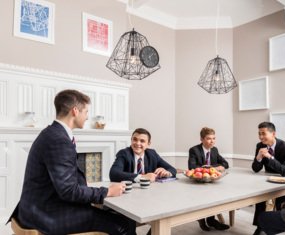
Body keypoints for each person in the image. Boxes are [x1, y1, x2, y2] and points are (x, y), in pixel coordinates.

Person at [7, 89, 136, 235]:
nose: (87, 117)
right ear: (75, 111)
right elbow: (68, 191)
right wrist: (107, 191)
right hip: (46, 215)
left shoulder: (51, 133)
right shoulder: (59, 140)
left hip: (37, 208)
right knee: (125, 223)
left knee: (110, 214)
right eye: (86, 112)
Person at [251, 122, 285, 235]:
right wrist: (259, 157)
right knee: (260, 198)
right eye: (259, 134)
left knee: (281, 202)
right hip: (269, 179)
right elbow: (256, 169)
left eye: (263, 133)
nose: (261, 137)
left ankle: (278, 228)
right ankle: (260, 227)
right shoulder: (260, 146)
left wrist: (269, 157)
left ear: (273, 134)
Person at [188, 127, 230, 231]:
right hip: (198, 183)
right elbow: (192, 167)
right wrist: (213, 167)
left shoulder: (214, 150)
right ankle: (202, 218)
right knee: (205, 197)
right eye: (209, 138)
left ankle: (211, 220)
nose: (212, 141)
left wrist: (214, 167)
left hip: (211, 181)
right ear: (201, 139)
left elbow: (225, 164)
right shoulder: (194, 150)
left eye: (214, 138)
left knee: (216, 196)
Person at [109, 128, 176, 183]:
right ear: (131, 140)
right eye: (135, 139)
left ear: (148, 144)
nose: (138, 143)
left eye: (142, 141)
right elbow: (113, 174)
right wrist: (142, 177)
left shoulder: (152, 154)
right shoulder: (124, 153)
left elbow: (172, 169)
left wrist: (166, 173)